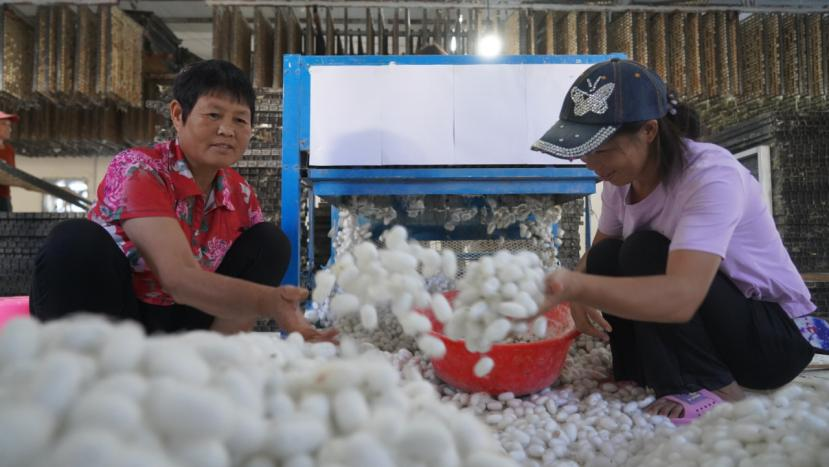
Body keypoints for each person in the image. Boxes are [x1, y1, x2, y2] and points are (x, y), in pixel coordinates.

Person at [532, 59, 815, 424]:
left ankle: (715, 387)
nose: (590, 163)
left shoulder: (710, 176)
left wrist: (574, 285)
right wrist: (574, 287)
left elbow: (682, 297)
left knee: (643, 250)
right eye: (584, 152)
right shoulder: (621, 182)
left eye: (600, 150)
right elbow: (600, 253)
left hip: (768, 344)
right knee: (606, 256)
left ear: (648, 130)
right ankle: (636, 374)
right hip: (716, 330)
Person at [30, 60, 336, 341]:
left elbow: (241, 278)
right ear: (178, 115)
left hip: (180, 323)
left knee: (270, 242)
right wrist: (269, 301)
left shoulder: (240, 194)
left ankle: (213, 356)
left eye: (240, 120)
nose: (227, 130)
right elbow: (176, 278)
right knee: (75, 240)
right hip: (117, 313)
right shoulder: (139, 169)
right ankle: (86, 362)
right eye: (213, 115)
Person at [0, 111, 19, 212]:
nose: (9, 129)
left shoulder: (9, 150)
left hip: (4, 200)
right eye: (4, 124)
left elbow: (13, 176)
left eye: (9, 125)